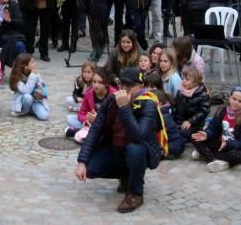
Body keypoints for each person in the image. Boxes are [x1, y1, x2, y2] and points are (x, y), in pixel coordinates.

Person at [74, 67, 164, 214]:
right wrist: (82, 161)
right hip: (116, 147)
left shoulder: (148, 103)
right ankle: (126, 175)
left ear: (140, 87)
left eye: (129, 86)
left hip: (141, 151)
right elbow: (95, 130)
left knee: (134, 149)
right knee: (90, 168)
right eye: (122, 85)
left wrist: (124, 108)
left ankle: (135, 194)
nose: (124, 89)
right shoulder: (111, 100)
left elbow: (138, 136)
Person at [190, 85, 241, 171]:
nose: (236, 102)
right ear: (230, 98)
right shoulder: (222, 110)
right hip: (220, 142)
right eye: (234, 99)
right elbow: (213, 127)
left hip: (234, 146)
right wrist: (207, 134)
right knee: (195, 137)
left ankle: (207, 155)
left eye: (240, 101)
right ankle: (215, 160)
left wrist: (228, 144)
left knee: (236, 155)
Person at [67, 66, 113, 140]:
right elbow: (81, 113)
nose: (96, 85)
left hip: (106, 125)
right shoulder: (89, 93)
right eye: (94, 82)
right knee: (70, 118)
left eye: (100, 82)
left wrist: (98, 119)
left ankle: (82, 132)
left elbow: (115, 119)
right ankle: (88, 133)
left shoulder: (113, 94)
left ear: (106, 83)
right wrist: (87, 119)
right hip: (90, 123)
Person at [173, 67, 211, 149]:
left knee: (182, 133)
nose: (183, 81)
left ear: (195, 83)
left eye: (187, 80)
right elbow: (175, 106)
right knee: (170, 128)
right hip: (181, 119)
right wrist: (173, 119)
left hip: (194, 124)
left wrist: (190, 121)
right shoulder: (180, 91)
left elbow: (204, 111)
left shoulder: (202, 94)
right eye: (183, 78)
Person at [9, 53, 50, 120]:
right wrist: (32, 77)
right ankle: (24, 110)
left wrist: (41, 89)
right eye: (32, 62)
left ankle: (31, 110)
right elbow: (27, 91)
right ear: (25, 66)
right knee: (27, 97)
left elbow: (43, 87)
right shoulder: (17, 78)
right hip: (22, 102)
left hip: (35, 100)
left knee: (44, 116)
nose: (34, 64)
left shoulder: (34, 73)